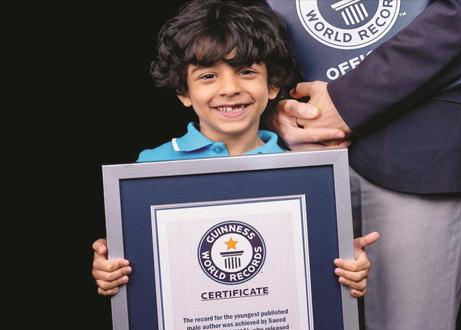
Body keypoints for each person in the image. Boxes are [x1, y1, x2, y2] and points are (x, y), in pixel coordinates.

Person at [268, 1, 461, 330]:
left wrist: (345, 102)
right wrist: (273, 107)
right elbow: (233, 21)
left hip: (417, 149)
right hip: (287, 149)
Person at [91, 0, 379, 301]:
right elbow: (138, 264)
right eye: (207, 76)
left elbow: (320, 265)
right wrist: (110, 270)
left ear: (273, 85)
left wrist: (349, 268)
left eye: (246, 72)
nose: (229, 88)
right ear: (183, 92)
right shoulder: (149, 169)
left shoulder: (305, 173)